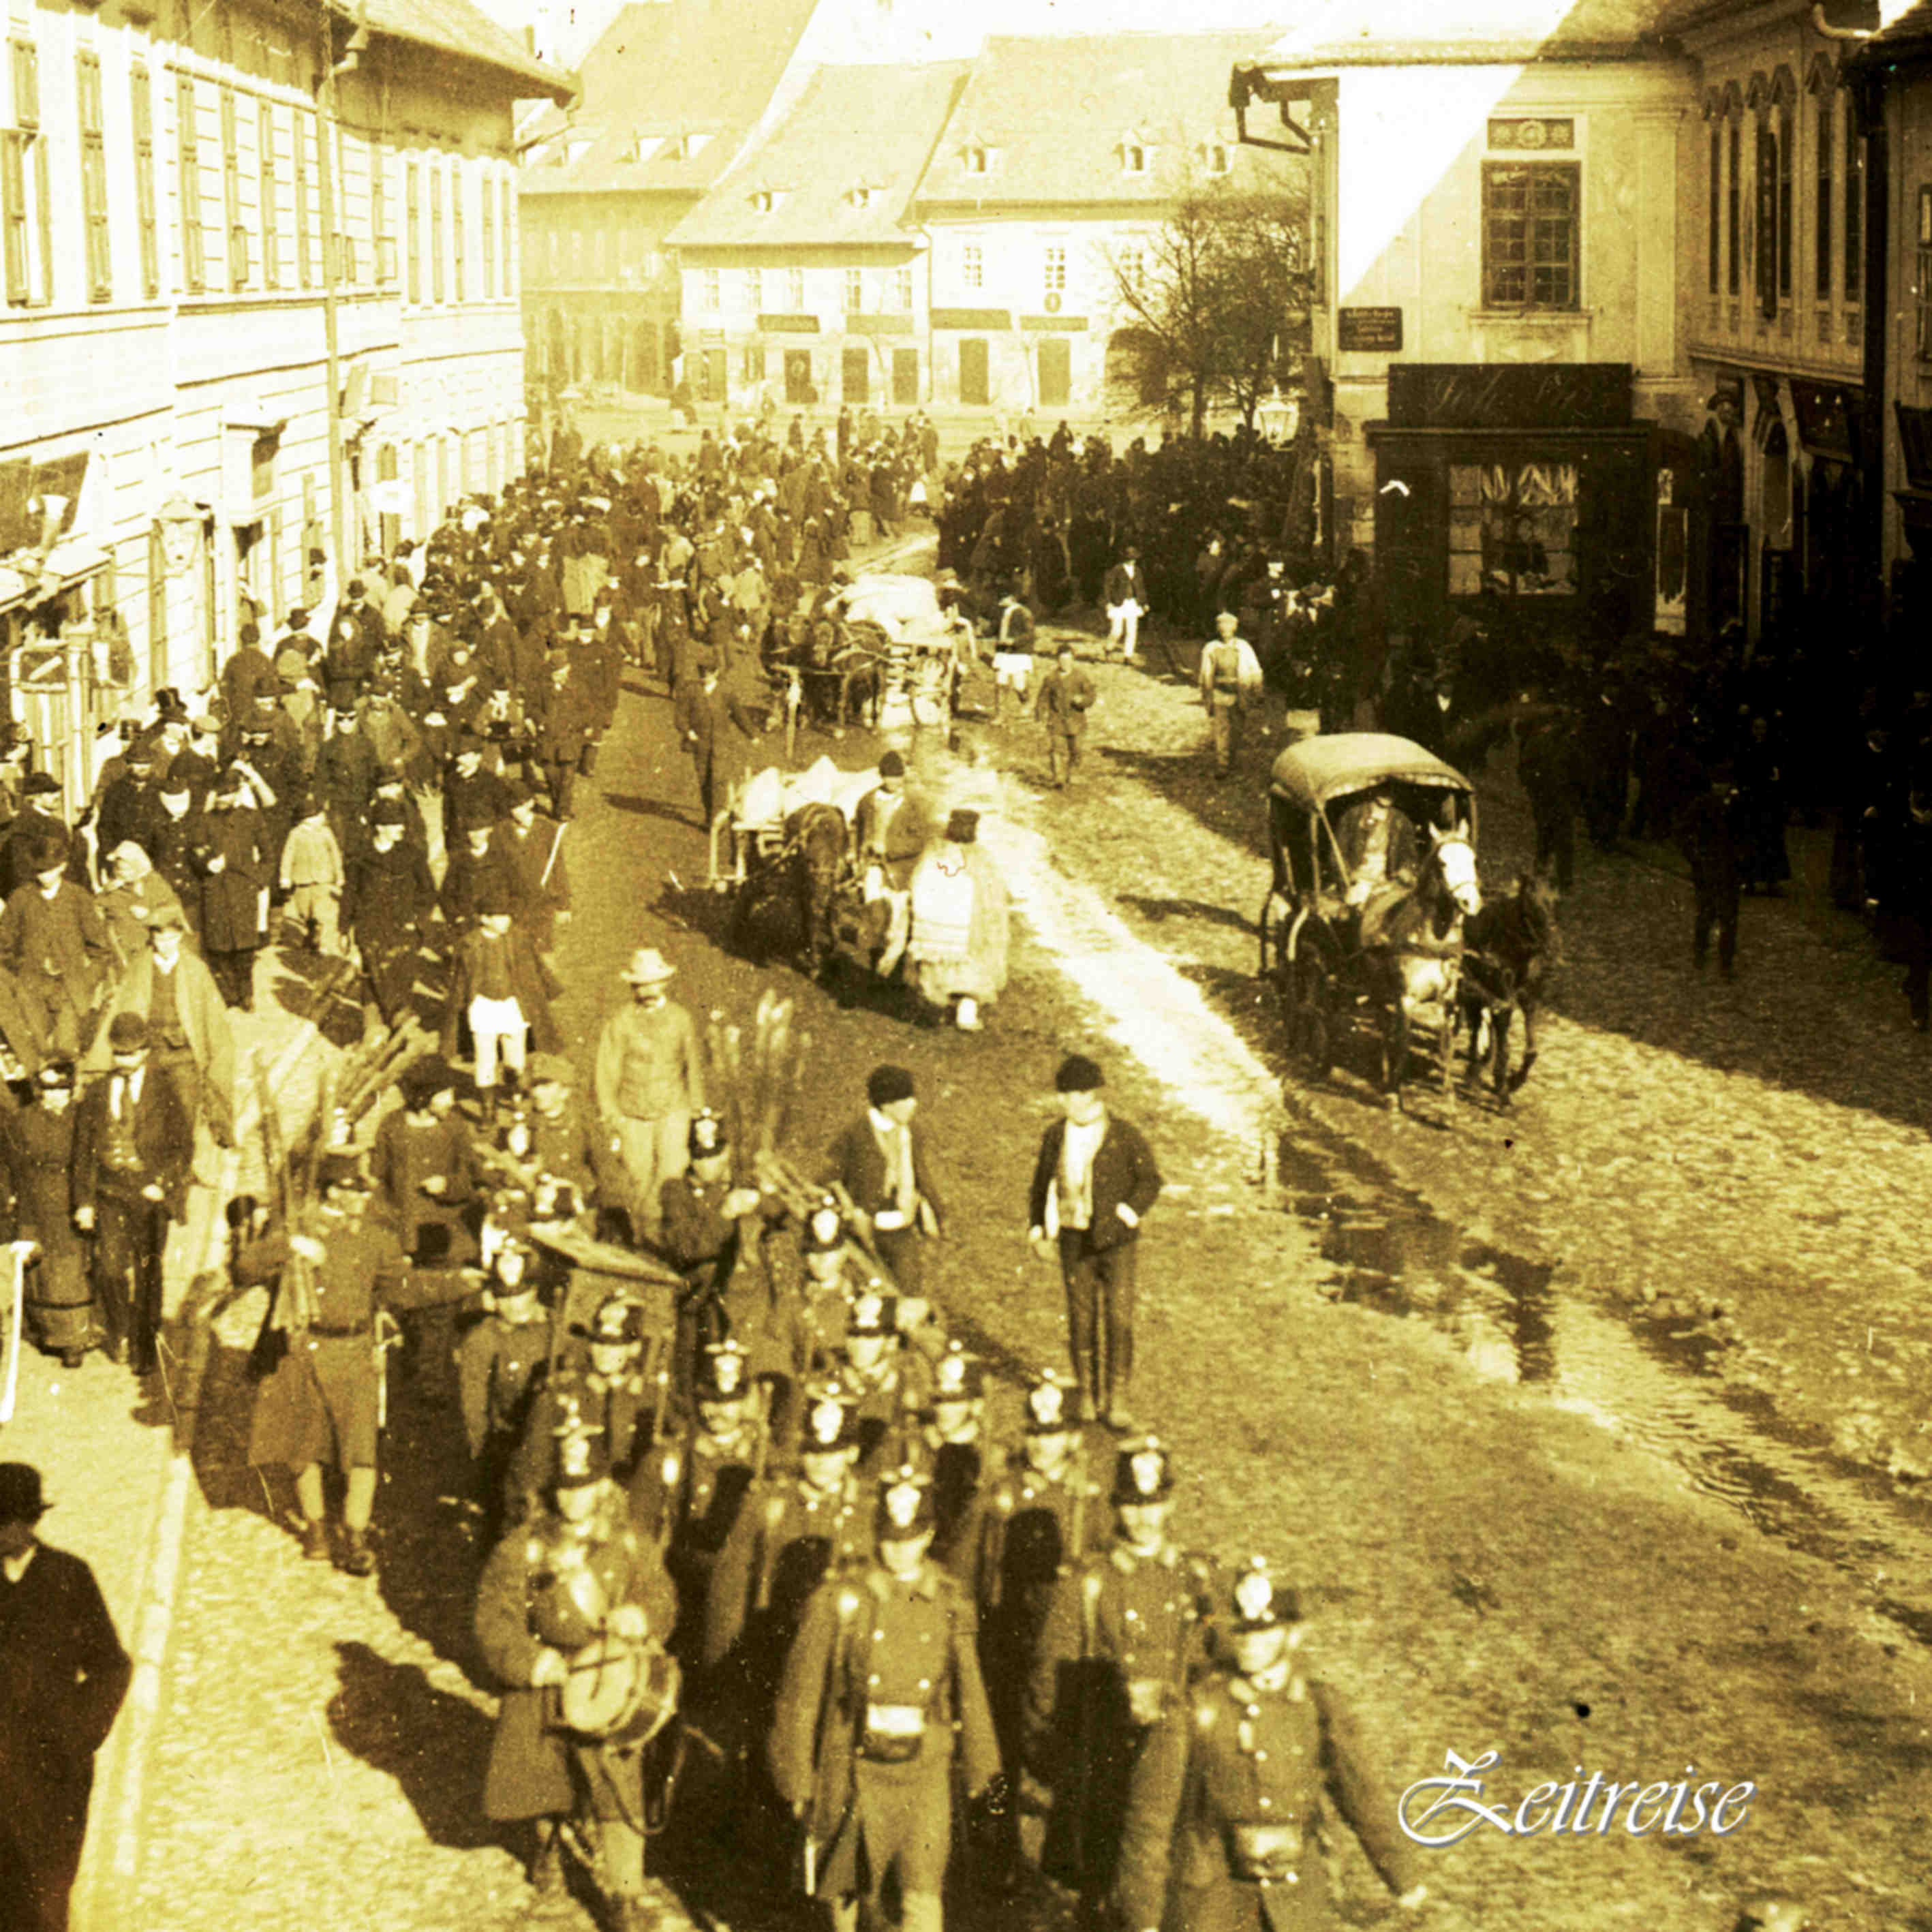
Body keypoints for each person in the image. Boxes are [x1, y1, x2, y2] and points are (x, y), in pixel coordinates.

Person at [1114, 1559, 1428, 1932]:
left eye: (1264, 1634)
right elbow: (1150, 1820)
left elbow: (1362, 1795)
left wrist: (1403, 1878)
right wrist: (1144, 1920)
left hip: (1296, 1900)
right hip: (1210, 1901)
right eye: (1242, 1633)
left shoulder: (1317, 1706)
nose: (1249, 1645)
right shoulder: (1194, 1708)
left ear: (1292, 1636)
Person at [768, 1465, 1001, 1932]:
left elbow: (970, 1689)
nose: (899, 1549)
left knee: (923, 1889)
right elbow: (801, 1695)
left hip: (925, 1766)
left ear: (928, 1535)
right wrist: (796, 1777)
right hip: (854, 1764)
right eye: (891, 1539)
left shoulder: (950, 1601)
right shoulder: (841, 1600)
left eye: (911, 1538)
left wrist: (985, 1773)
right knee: (848, 1890)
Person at [474, 1425, 679, 1930]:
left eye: (585, 1486)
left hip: (608, 1673)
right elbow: (494, 1621)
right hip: (549, 1675)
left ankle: (626, 1893)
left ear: (604, 1486)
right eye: (565, 1487)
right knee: (542, 1772)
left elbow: (661, 1595)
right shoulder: (523, 1547)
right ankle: (547, 1855)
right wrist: (530, 1662)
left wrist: (641, 1616)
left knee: (618, 1785)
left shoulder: (628, 1542)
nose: (574, 1498)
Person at [1024, 1437, 1216, 1920]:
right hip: (1105, 1749)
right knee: (1104, 1874)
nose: (1143, 1518)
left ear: (1170, 1505)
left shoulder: (1192, 1578)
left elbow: (1210, 1659)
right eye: (1132, 1505)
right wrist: (1050, 1753)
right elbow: (1049, 1675)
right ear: (1115, 1508)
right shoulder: (1090, 1581)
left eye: (1152, 1504)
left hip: (1176, 1746)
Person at [239, 1147, 409, 1574]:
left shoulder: (376, 1236)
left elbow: (401, 1286)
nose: (363, 1199)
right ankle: (315, 1528)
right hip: (306, 1350)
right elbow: (244, 1268)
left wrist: (458, 1283)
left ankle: (355, 1535)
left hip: (356, 1351)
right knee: (305, 1447)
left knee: (361, 1451)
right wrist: (289, 1245)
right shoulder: (301, 1229)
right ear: (332, 1191)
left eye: (364, 1191)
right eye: (354, 1191)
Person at [0, 1463, 132, 1932]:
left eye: (5, 1522)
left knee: (47, 1894)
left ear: (28, 1522)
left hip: (54, 1766)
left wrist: (78, 1730)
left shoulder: (68, 1576)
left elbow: (112, 1665)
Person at [1026, 1054, 1162, 1429]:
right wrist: (1038, 1230)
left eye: (1071, 1094)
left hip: (1117, 1243)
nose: (1064, 1100)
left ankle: (1117, 1398)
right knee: (1081, 1318)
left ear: (1090, 1095)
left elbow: (1150, 1181)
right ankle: (1087, 1393)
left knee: (1119, 1318)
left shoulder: (1123, 1135)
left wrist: (1125, 1215)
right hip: (1074, 1241)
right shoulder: (1056, 1135)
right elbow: (1040, 1186)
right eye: (1063, 1094)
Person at [72, 1013, 193, 1377]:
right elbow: (83, 1151)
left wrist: (162, 1183)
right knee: (109, 1270)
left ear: (145, 1051)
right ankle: (121, 1330)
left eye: (131, 1053)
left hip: (149, 1195)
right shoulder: (96, 1093)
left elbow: (183, 1147)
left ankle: (146, 1344)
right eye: (118, 1053)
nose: (124, 1059)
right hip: (109, 1192)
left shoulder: (165, 1089)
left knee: (148, 1271)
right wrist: (84, 1203)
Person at [84, 903, 236, 1154]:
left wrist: (214, 1060)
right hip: (149, 1052)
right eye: (159, 940)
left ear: (180, 936)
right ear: (152, 939)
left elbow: (214, 1023)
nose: (165, 946)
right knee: (146, 1109)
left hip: (183, 1055)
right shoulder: (140, 967)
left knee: (185, 1108)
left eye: (170, 939)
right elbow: (122, 1010)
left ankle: (184, 1159)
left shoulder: (195, 969)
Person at [593, 946, 705, 1243]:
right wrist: (611, 1113)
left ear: (664, 983)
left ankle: (667, 1236)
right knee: (637, 1174)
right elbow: (607, 1069)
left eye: (652, 983)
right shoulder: (621, 1021)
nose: (646, 990)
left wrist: (698, 1110)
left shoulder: (680, 1018)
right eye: (640, 985)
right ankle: (640, 1236)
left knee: (671, 1173)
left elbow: (693, 1065)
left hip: (673, 1108)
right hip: (633, 1112)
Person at [442, 883, 563, 1122]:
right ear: (484, 919)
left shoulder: (518, 939)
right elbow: (459, 980)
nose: (506, 920)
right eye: (500, 916)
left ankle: (516, 1098)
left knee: (515, 1059)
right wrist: (458, 1010)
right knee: (485, 1060)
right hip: (483, 1007)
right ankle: (488, 1110)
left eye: (507, 915)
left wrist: (548, 990)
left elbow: (535, 967)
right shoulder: (469, 944)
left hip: (511, 1007)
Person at [823, 1064, 944, 1298]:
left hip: (902, 1223)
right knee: (871, 1287)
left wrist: (933, 1209)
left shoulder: (911, 1132)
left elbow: (921, 1174)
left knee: (909, 1287)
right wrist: (849, 1209)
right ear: (887, 1105)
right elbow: (828, 1177)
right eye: (905, 1100)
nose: (914, 1104)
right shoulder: (855, 1134)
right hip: (865, 1227)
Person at [0, 1062, 89, 1367]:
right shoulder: (24, 1120)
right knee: (42, 1269)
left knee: (70, 1269)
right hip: (34, 1198)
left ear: (71, 1089)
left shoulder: (83, 1117)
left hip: (69, 1196)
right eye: (48, 1089)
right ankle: (46, 1332)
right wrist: (13, 1195)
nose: (54, 1096)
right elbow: (10, 1162)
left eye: (61, 1089)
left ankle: (73, 1340)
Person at [0, 826, 114, 1056]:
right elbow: (4, 946)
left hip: (70, 987)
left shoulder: (78, 897)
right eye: (39, 871)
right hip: (32, 987)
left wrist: (87, 980)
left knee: (66, 1049)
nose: (44, 876)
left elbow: (101, 950)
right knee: (37, 1050)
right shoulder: (20, 899)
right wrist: (20, 977)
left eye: (49, 870)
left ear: (62, 867)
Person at [907, 808, 1009, 1032]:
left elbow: (992, 892)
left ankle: (959, 1012)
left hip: (961, 928)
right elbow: (921, 880)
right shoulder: (938, 851)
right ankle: (946, 1011)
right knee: (947, 968)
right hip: (946, 927)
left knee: (963, 969)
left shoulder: (977, 856)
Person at [1678, 763, 1744, 981]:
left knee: (1729, 918)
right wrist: (1694, 858)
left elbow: (1748, 835)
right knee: (1706, 913)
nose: (1720, 787)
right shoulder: (1702, 804)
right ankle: (1700, 953)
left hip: (1731, 870)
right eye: (1716, 783)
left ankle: (1726, 963)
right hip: (1707, 868)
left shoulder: (1738, 806)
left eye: (1724, 783)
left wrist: (1743, 859)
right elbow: (1683, 832)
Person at [1197, 611, 1265, 779]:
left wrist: (1258, 690)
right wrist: (1206, 693)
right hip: (1220, 693)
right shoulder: (1211, 648)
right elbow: (1205, 673)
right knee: (1222, 730)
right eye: (1222, 627)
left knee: (1237, 729)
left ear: (1234, 628)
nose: (1225, 630)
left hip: (1240, 693)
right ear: (1218, 629)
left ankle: (1231, 759)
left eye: (1228, 626)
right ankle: (1223, 764)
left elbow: (1255, 669)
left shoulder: (1243, 647)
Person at [278, 792, 345, 955]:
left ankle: (321, 942)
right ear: (309, 818)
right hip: (302, 880)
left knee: (321, 913)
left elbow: (335, 854)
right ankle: (311, 934)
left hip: (323, 880)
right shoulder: (296, 834)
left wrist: (339, 875)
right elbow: (288, 855)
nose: (323, 818)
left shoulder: (326, 832)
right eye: (320, 815)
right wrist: (285, 877)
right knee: (305, 912)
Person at [1034, 643, 1097, 789]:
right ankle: (1058, 778)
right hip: (1057, 719)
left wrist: (1082, 700)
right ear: (1057, 660)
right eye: (1062, 660)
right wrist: (1040, 712)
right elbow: (1043, 697)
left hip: (1076, 720)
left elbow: (1091, 696)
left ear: (1073, 660)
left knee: (1076, 750)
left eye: (1068, 660)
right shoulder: (1051, 678)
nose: (1065, 663)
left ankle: (1071, 775)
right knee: (1057, 749)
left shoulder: (1080, 677)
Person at [1103, 545, 1148, 662]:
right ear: (1125, 559)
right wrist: (1108, 601)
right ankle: (1108, 648)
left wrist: (1144, 603)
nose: (1132, 561)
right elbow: (1108, 586)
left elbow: (1141, 588)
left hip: (1132, 603)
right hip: (1118, 603)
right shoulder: (1117, 569)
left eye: (1134, 558)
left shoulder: (1138, 571)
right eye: (1130, 558)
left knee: (1131, 631)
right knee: (1117, 631)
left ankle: (1128, 656)